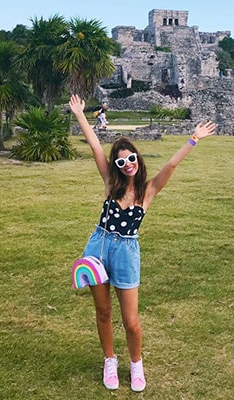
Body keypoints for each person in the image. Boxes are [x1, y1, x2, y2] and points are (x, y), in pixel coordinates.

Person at [68, 94, 217, 392]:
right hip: (99, 246)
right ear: (116, 164)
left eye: (131, 158)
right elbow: (96, 146)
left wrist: (194, 139)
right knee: (103, 313)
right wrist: (81, 114)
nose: (127, 164)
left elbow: (171, 166)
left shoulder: (147, 191)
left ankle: (136, 363)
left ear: (137, 159)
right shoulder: (111, 184)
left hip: (126, 252)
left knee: (131, 320)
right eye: (121, 160)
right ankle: (109, 359)